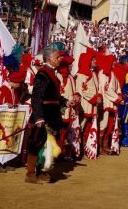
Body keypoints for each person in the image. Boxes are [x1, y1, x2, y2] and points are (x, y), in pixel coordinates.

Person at [27, 43, 77, 184]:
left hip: (52, 115)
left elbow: (54, 96)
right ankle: (30, 173)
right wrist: (38, 117)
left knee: (48, 146)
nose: (60, 59)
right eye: (57, 57)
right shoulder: (43, 74)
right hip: (43, 115)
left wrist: (66, 102)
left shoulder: (51, 74)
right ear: (49, 59)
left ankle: (42, 171)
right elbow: (36, 97)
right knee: (36, 144)